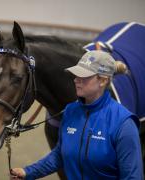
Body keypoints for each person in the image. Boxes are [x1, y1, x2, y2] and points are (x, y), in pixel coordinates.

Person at [10, 50, 143, 180]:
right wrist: (28, 172)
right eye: (76, 75)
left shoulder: (124, 123)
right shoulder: (70, 111)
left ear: (102, 81)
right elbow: (60, 154)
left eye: (84, 76)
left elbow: (132, 176)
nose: (76, 80)